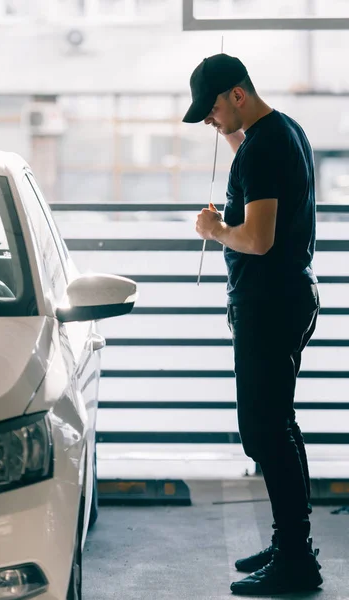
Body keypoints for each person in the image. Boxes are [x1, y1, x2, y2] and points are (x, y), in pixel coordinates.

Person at [183, 53, 323, 595]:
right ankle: (293, 543)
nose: (209, 121)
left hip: (269, 305)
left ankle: (295, 559)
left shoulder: (265, 147)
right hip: (284, 300)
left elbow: (258, 239)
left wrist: (214, 228)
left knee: (264, 431)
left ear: (237, 96)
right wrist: (227, 133)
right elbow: (251, 166)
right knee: (279, 427)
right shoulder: (280, 132)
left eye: (213, 110)